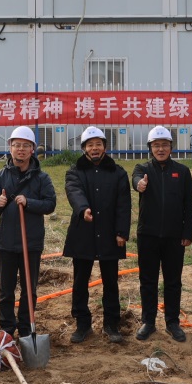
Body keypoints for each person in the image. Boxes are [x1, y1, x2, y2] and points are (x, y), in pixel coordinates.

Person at [63, 127, 132, 344]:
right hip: (83, 232)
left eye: (98, 144)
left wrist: (121, 232)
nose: (95, 148)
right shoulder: (74, 171)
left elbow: (124, 205)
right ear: (84, 148)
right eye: (90, 145)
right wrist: (83, 209)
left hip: (110, 234)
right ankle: (82, 324)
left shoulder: (118, 173)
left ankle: (111, 324)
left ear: (105, 147)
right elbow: (74, 191)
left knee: (111, 281)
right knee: (80, 281)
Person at [0, 127, 57, 339]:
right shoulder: (0, 176)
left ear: (32, 149)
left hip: (31, 242)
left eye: (25, 145)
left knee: (29, 289)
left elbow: (50, 204)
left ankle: (26, 329)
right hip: (6, 242)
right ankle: (7, 329)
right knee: (5, 289)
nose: (20, 149)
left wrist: (29, 202)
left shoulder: (42, 178)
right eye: (16, 145)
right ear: (10, 148)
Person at [132, 126, 192, 342]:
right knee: (147, 280)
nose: (160, 149)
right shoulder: (142, 169)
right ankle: (148, 322)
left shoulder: (182, 171)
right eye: (156, 145)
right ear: (150, 148)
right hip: (148, 235)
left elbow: (189, 204)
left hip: (174, 236)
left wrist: (187, 232)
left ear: (171, 147)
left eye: (165, 145)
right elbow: (136, 179)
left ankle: (172, 322)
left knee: (173, 281)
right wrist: (139, 184)